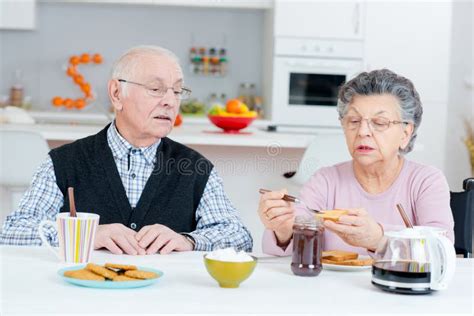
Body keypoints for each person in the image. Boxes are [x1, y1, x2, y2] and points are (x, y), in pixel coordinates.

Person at [0, 45, 252, 255]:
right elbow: (12, 232)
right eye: (156, 89)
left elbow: (239, 237)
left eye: (177, 90)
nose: (170, 100)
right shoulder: (64, 163)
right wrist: (86, 234)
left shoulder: (196, 168)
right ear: (116, 93)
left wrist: (189, 240)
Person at [259, 69, 454, 256]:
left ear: (405, 133)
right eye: (353, 121)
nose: (362, 132)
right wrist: (283, 230)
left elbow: (441, 248)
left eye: (379, 122)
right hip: (331, 290)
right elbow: (296, 242)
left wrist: (378, 238)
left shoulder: (426, 181)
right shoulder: (325, 180)